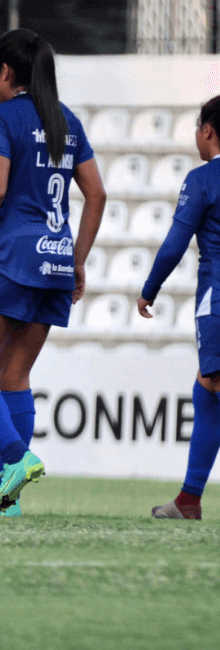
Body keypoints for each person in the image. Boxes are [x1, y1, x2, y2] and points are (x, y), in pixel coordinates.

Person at [0, 29, 106, 515]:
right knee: (14, 375)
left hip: (10, 256)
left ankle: (15, 456)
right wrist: (76, 260)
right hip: (54, 260)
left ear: (6, 72)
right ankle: (5, 500)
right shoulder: (67, 121)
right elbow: (97, 194)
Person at [138, 95, 220, 520]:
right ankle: (189, 499)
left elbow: (175, 244)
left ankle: (189, 499)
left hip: (219, 300)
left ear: (207, 131)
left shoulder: (204, 178)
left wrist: (149, 288)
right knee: (207, 388)